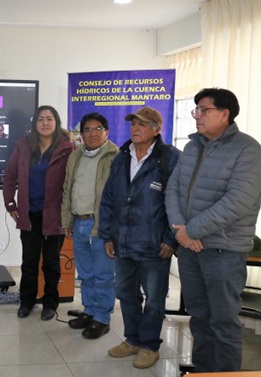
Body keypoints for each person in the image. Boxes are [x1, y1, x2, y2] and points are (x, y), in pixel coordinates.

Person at [165, 88, 261, 373]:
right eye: (196, 109)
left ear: (225, 114)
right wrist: (181, 231)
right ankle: (205, 370)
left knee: (223, 322)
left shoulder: (248, 149)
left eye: (203, 110)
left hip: (223, 251)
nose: (196, 115)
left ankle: (225, 374)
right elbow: (173, 189)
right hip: (190, 248)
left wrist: (191, 230)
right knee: (199, 317)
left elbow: (239, 201)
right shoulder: (192, 147)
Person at [98, 106, 180, 369]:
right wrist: (109, 236)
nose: (135, 128)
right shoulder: (122, 157)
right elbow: (109, 199)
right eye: (133, 124)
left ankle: (149, 345)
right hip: (122, 241)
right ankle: (132, 340)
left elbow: (178, 202)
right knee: (126, 293)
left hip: (155, 243)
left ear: (157, 129)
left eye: (142, 124)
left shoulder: (170, 158)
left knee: (155, 298)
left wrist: (171, 238)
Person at [3, 105, 73, 321]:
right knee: (29, 262)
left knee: (52, 262)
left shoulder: (68, 149)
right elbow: (9, 176)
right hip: (29, 214)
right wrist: (11, 205)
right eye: (41, 119)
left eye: (49, 118)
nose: (45, 123)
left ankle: (50, 305)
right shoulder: (23, 147)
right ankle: (27, 302)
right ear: (35, 124)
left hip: (55, 216)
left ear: (56, 122)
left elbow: (74, 182)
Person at [61, 112, 119, 339]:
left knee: (104, 274)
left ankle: (103, 318)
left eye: (98, 129)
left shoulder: (116, 157)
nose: (92, 134)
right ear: (81, 133)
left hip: (101, 225)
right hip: (79, 222)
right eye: (87, 129)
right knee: (85, 273)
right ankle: (90, 311)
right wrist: (67, 219)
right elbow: (68, 188)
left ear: (106, 132)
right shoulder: (76, 156)